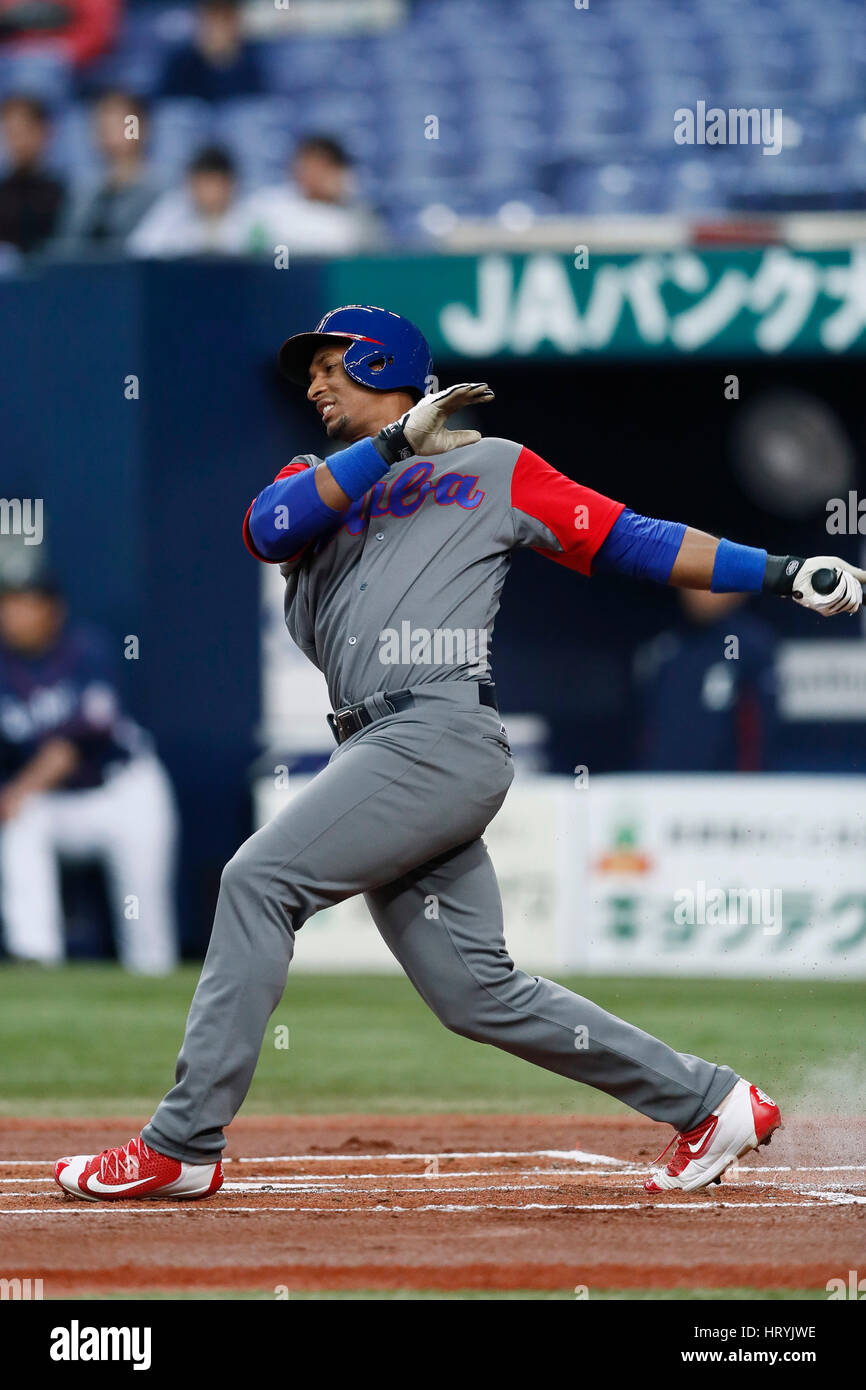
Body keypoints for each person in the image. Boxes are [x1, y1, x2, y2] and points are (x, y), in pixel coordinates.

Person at [54, 305, 866, 1203]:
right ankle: (712, 1102)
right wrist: (396, 442)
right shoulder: (318, 478)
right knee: (478, 993)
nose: (315, 384)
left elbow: (629, 537)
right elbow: (268, 528)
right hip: (374, 743)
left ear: (382, 362)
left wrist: (784, 571)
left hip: (434, 732)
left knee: (257, 881)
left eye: (331, 365)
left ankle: (182, 1142)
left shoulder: (495, 467)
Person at [0, 574, 178, 974]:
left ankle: (151, 985)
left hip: (123, 790)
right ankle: (35, 958)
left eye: (23, 604)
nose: (12, 616)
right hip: (55, 803)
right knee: (20, 821)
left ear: (51, 611)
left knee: (147, 931)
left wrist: (17, 789)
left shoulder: (86, 651)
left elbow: (75, 744)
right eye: (8, 605)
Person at [635, 587, 779, 771]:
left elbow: (761, 733)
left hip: (723, 788)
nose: (696, 591)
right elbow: (648, 731)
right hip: (663, 784)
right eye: (690, 583)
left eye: (707, 583)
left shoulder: (752, 646)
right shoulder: (664, 648)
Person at [239, 134, 382, 257]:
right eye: (306, 164)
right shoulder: (267, 205)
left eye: (321, 166)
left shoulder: (354, 215)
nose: (311, 173)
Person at [54, 90, 159, 255]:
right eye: (102, 124)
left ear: (142, 127)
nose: (109, 130)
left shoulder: (163, 189)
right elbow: (68, 245)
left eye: (120, 122)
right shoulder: (83, 190)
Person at [127, 144, 244, 258]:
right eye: (203, 184)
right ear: (191, 185)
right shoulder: (172, 211)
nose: (209, 193)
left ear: (231, 185)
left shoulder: (248, 216)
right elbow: (139, 250)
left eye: (215, 184)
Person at [158, 0, 263, 103]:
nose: (218, 29)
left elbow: (256, 104)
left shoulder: (252, 62)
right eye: (212, 20)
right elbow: (167, 105)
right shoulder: (180, 63)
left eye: (224, 21)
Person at [0, 94, 64, 252]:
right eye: (11, 132)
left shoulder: (63, 192)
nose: (18, 142)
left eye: (23, 131)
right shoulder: (3, 192)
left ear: (43, 132)